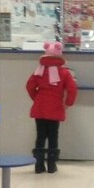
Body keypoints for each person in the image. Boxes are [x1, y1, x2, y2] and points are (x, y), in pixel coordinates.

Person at [25, 41, 78, 173]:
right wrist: (68, 103)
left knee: (40, 136)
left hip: (40, 107)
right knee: (53, 136)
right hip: (55, 107)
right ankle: (51, 165)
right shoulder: (64, 73)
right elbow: (72, 89)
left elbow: (29, 86)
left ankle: (38, 165)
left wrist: (36, 98)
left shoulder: (39, 71)